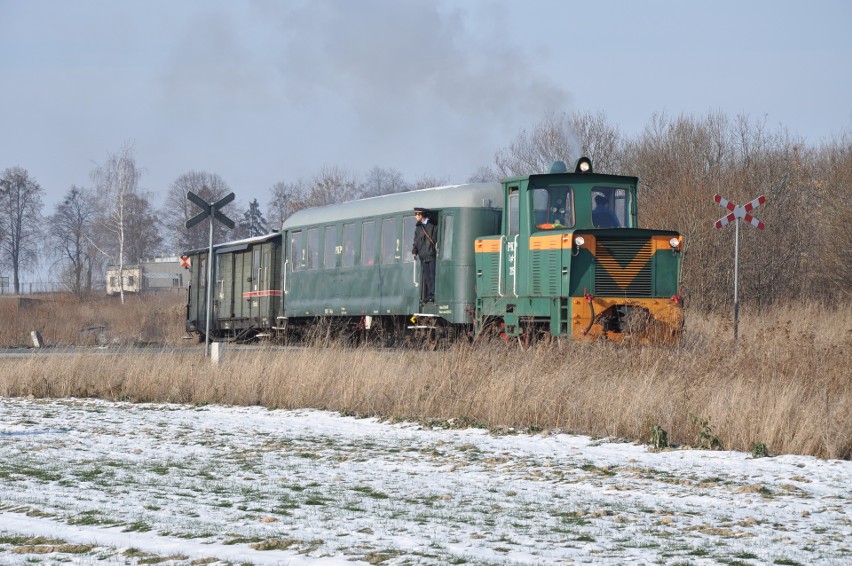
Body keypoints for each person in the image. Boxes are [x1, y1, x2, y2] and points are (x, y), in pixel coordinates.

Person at [412, 207, 437, 303]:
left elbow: (435, 236)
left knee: (432, 275)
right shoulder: (418, 227)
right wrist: (414, 251)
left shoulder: (432, 225)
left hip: (431, 254)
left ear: (421, 215)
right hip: (423, 256)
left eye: (417, 215)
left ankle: (433, 294)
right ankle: (430, 295)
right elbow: (416, 241)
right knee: (427, 277)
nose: (416, 217)